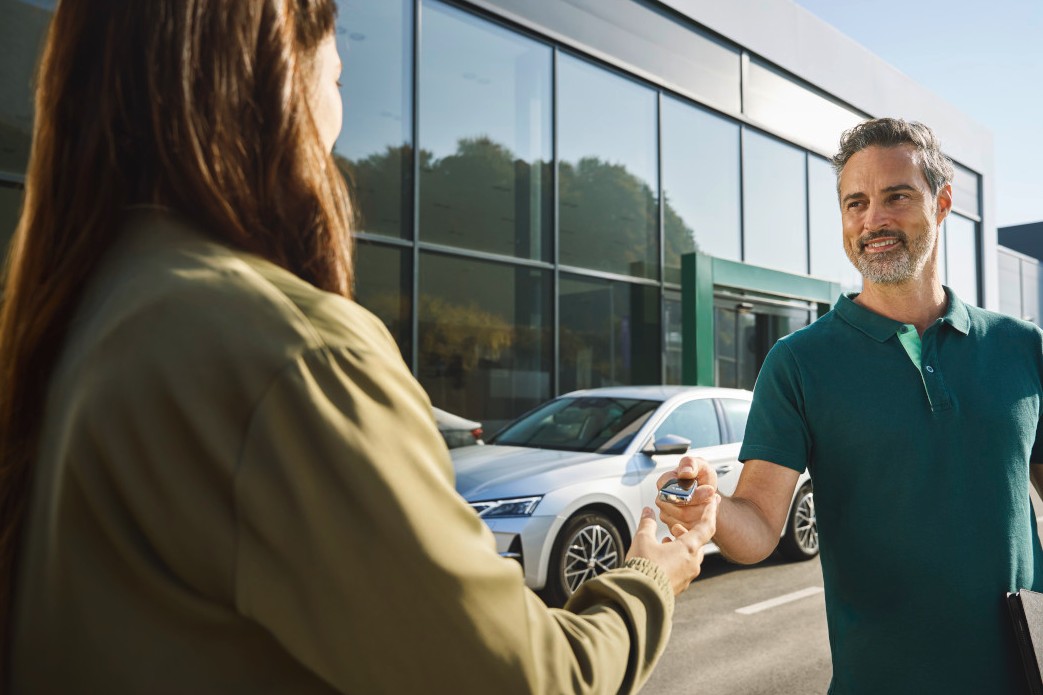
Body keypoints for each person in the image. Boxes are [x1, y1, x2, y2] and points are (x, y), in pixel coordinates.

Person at [0, 2, 720, 692]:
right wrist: (650, 575)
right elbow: (533, 677)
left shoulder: (79, 321)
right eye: (340, 79)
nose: (340, 122)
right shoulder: (295, 355)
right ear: (277, 75)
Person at [657, 117, 1043, 694]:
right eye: (855, 202)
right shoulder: (799, 363)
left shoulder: (1021, 346)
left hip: (1024, 675)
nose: (873, 220)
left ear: (942, 204)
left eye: (896, 197)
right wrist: (710, 510)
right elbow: (760, 525)